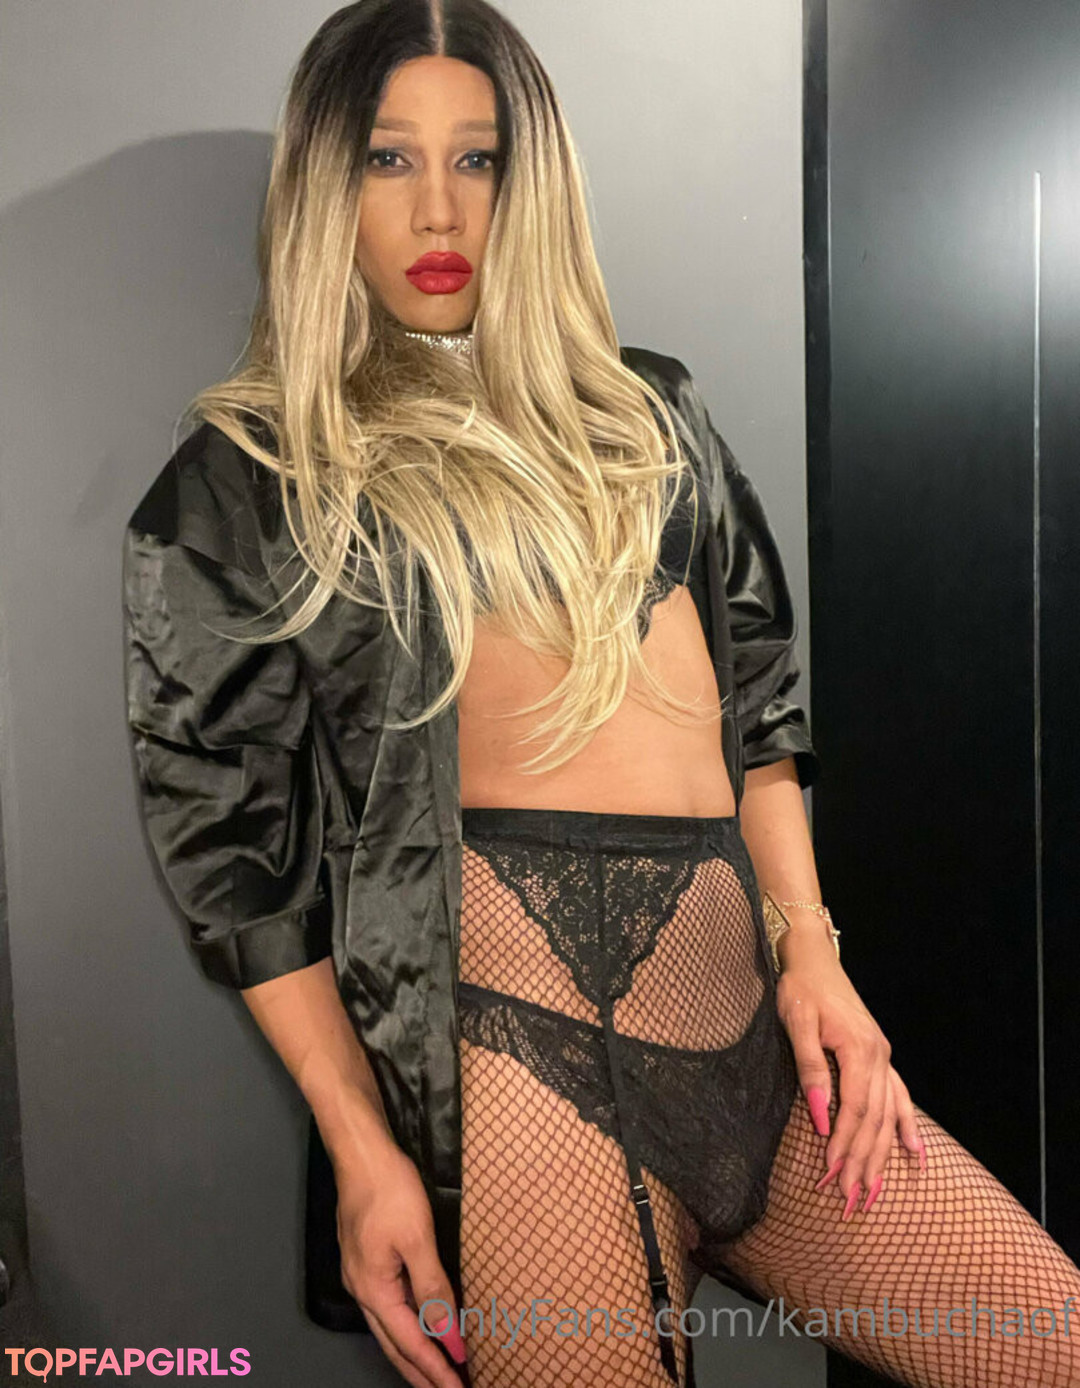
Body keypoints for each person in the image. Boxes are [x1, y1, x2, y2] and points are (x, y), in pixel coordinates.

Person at [121, 3, 1080, 1386]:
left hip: (757, 1048)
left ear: (534, 179)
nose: (439, 207)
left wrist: (815, 958)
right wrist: (363, 1151)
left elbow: (761, 718)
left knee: (1048, 1343)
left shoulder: (654, 413)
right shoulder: (251, 475)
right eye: (389, 159)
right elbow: (239, 877)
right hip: (525, 1074)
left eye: (479, 157)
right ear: (326, 182)